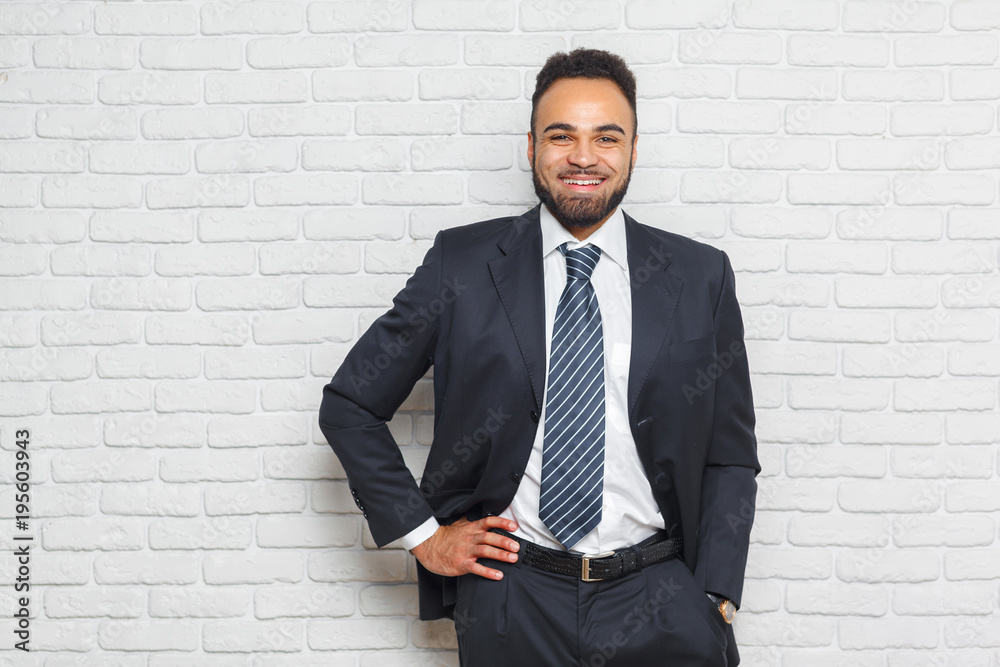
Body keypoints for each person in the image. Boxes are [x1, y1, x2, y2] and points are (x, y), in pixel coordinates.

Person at [320, 47, 760, 666]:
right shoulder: (464, 265)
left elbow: (730, 453)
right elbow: (350, 406)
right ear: (531, 147)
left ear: (634, 150)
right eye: (561, 136)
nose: (583, 156)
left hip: (663, 597)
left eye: (607, 136)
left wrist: (714, 593)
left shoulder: (699, 275)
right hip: (512, 599)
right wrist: (424, 537)